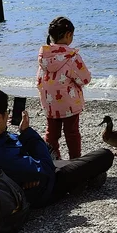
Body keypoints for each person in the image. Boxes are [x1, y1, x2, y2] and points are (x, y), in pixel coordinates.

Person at [0, 88, 114, 208]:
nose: (8, 115)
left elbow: (8, 147)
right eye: (6, 112)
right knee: (104, 155)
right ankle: (84, 178)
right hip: (44, 186)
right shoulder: (4, 158)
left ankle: (79, 173)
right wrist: (27, 132)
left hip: (25, 167)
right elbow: (46, 169)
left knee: (48, 149)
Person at [36, 17, 92, 160]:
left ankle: (53, 159)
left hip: (49, 102)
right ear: (68, 35)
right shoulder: (71, 57)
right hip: (69, 103)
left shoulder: (44, 56)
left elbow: (40, 78)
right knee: (72, 132)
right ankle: (75, 160)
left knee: (52, 133)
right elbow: (85, 79)